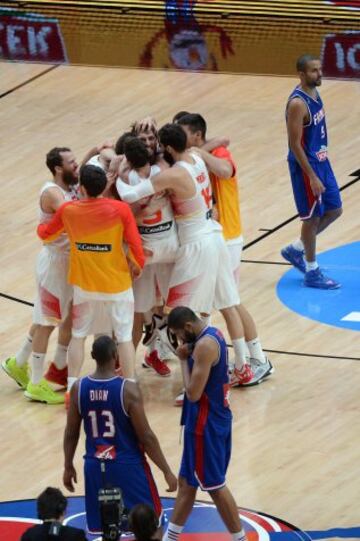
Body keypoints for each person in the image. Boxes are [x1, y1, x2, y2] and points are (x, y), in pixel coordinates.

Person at [116, 123, 266, 387]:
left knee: (182, 315)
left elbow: (129, 194)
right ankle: (243, 365)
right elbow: (201, 150)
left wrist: (118, 172)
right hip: (214, 233)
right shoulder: (196, 157)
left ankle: (198, 381)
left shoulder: (173, 175)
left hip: (196, 243)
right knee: (228, 303)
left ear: (170, 148)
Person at [176, 113, 273, 385]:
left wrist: (199, 152)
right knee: (217, 302)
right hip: (212, 236)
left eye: (184, 133)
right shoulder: (192, 157)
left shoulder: (219, 152)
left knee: (229, 302)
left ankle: (256, 359)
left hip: (227, 235)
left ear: (196, 135)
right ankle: (246, 359)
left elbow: (225, 170)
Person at [37, 164, 145, 398]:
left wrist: (39, 227)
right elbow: (137, 248)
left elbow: (46, 234)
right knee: (124, 338)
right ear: (104, 185)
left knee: (78, 336)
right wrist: (137, 267)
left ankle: (72, 390)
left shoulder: (68, 210)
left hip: (85, 287)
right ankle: (130, 389)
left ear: (82, 188)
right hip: (117, 286)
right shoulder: (121, 210)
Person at [63, 335, 177, 535]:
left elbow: (71, 433)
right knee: (153, 525)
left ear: (92, 356)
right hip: (127, 465)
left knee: (106, 531)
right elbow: (146, 437)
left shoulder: (78, 388)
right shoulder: (128, 390)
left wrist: (68, 465)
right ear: (116, 356)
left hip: (94, 467)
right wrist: (166, 471)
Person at [163, 307, 247, 541]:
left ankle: (240, 539)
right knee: (187, 483)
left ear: (188, 327)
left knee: (215, 485)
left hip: (205, 425)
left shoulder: (204, 346)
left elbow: (192, 394)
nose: (180, 340)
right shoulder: (213, 334)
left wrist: (181, 361)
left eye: (179, 334)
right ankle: (170, 538)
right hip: (206, 421)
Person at [2, 147, 79, 404]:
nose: (76, 165)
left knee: (45, 317)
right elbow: (73, 214)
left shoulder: (65, 185)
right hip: (55, 263)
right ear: (58, 168)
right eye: (72, 162)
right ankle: (35, 384)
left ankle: (18, 362)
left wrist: (95, 150)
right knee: (47, 322)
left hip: (66, 262)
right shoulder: (52, 193)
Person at [117, 137, 179, 377]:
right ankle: (156, 348)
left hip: (145, 250)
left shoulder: (126, 179)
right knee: (172, 304)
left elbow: (127, 208)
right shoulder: (162, 170)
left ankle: (128, 369)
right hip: (168, 246)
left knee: (139, 312)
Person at [281, 54, 342, 289]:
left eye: (320, 69)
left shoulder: (315, 93)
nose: (319, 74)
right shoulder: (298, 103)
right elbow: (294, 144)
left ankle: (296, 249)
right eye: (314, 71)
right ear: (302, 74)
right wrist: (312, 176)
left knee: (335, 209)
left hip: (321, 161)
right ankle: (312, 271)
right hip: (306, 166)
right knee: (312, 217)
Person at [21, 486, 87, 540]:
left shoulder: (29, 535)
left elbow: (52, 532)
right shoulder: (76, 536)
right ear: (63, 511)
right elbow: (54, 532)